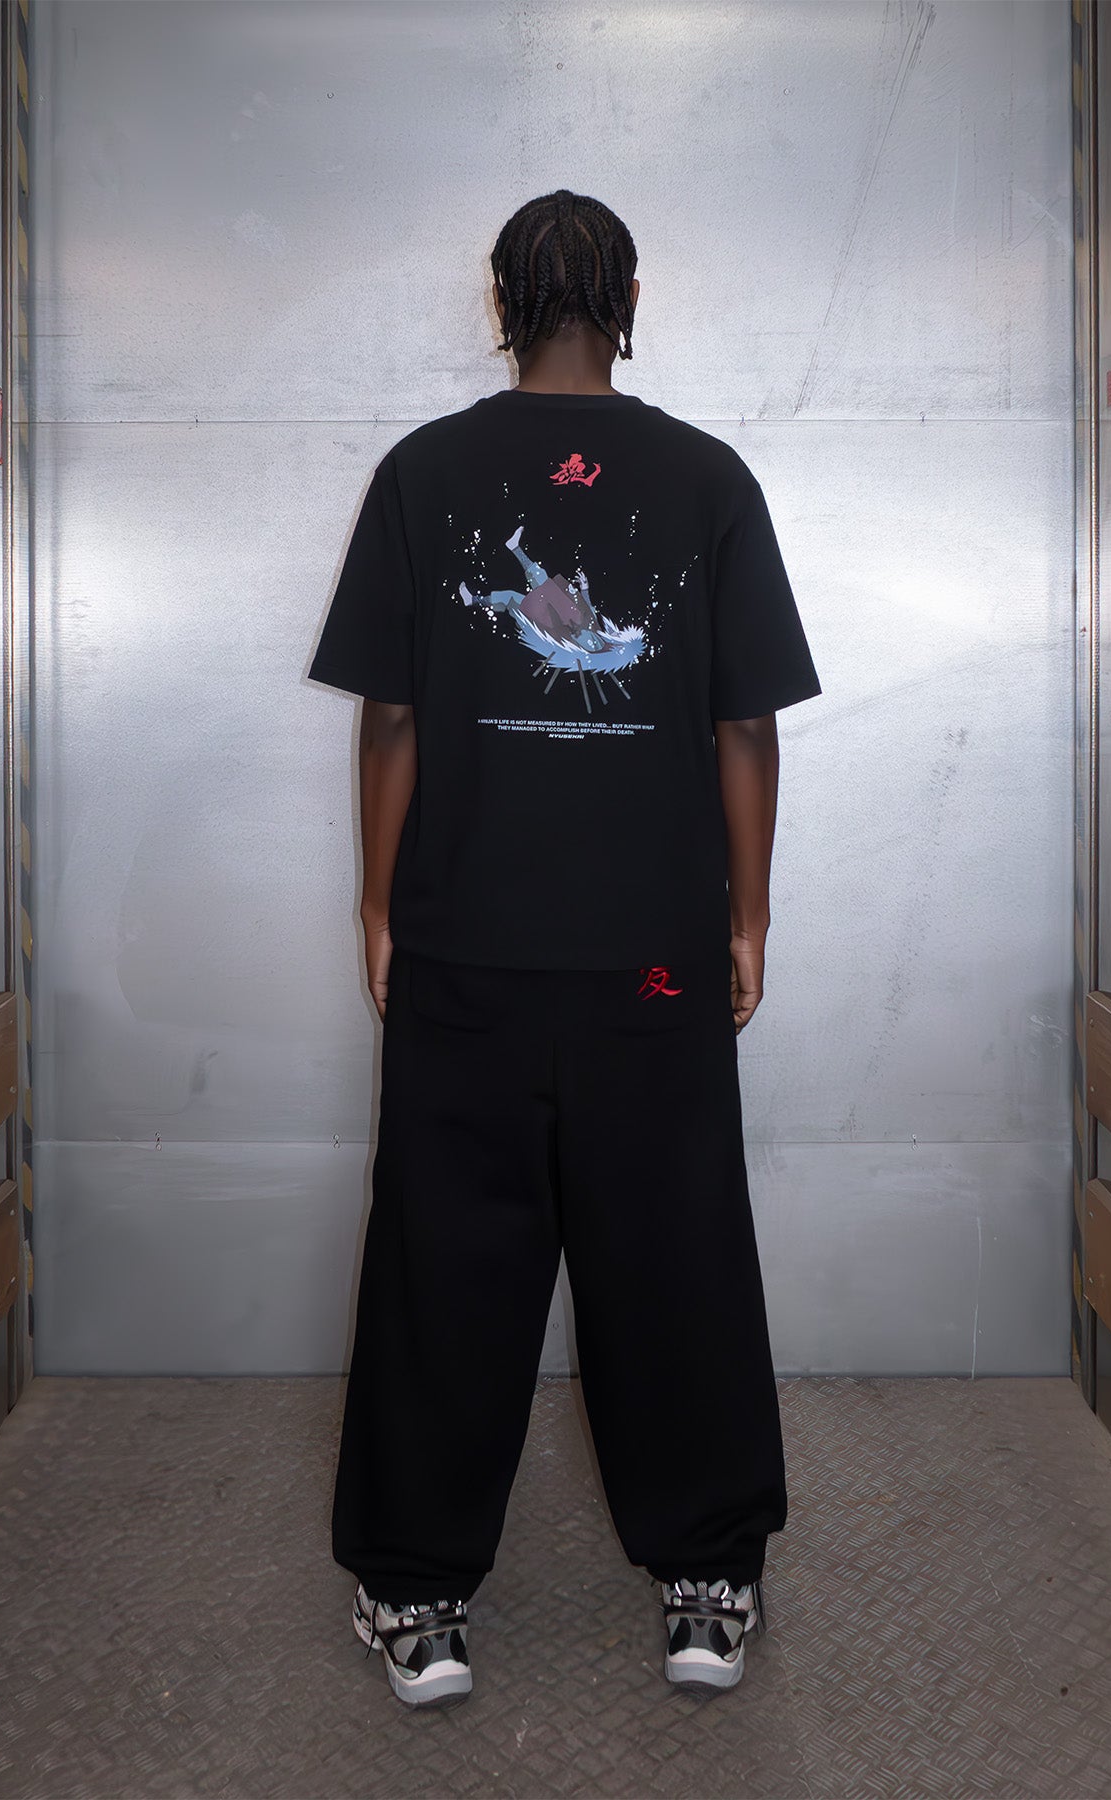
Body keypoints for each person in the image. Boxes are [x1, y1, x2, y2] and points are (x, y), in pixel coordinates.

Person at [307, 187, 822, 1708]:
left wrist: (377, 904)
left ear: (501, 301)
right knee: (675, 1250)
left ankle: (417, 1599)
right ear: (632, 299)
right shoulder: (708, 477)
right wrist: (747, 916)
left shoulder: (424, 472)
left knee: (441, 1262)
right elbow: (744, 727)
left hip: (466, 949)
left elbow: (390, 719)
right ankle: (709, 1584)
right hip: (652, 963)